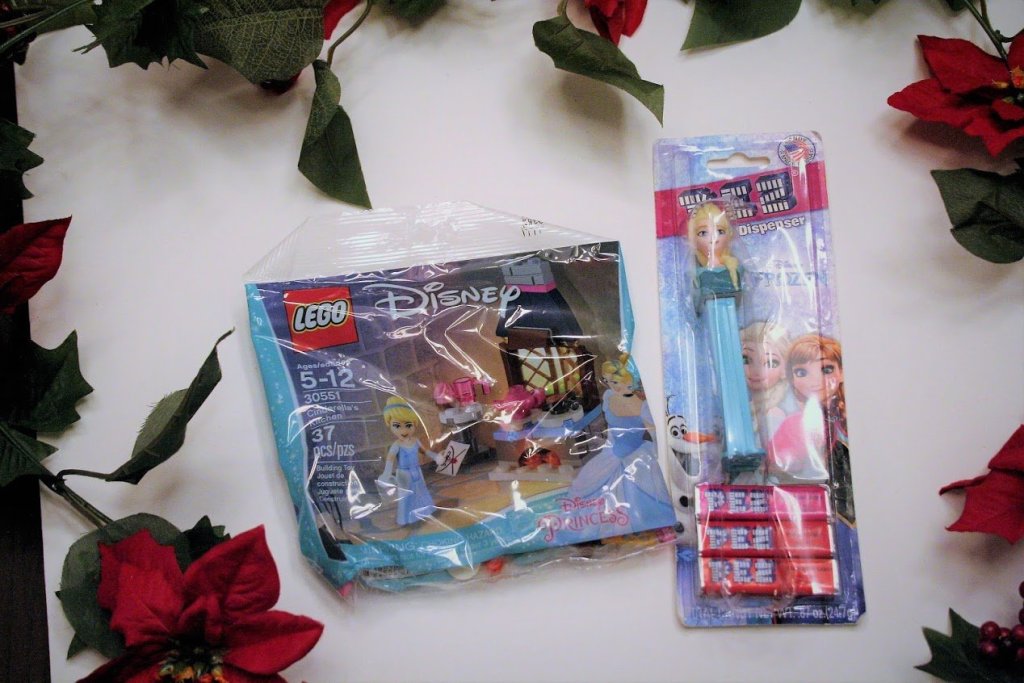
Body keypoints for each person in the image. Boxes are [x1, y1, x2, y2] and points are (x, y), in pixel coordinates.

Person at [561, 355, 675, 537]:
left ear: (629, 380)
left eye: (616, 381)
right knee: (589, 488)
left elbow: (656, 435)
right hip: (613, 453)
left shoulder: (641, 405)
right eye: (608, 381)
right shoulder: (609, 396)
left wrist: (661, 456)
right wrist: (607, 446)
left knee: (640, 497)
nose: (612, 385)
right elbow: (610, 428)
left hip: (636, 455)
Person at [767, 335, 846, 486]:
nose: (815, 381)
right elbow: (779, 466)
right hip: (809, 489)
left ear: (841, 372)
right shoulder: (793, 424)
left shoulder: (847, 418)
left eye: (827, 369)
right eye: (801, 373)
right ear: (792, 379)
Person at [380, 396, 440, 526]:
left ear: (414, 423)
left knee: (421, 491)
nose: (404, 430)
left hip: (417, 470)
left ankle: (424, 512)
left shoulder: (415, 441)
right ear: (390, 425)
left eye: (408, 425)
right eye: (397, 426)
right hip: (404, 474)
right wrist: (387, 473)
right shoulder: (397, 445)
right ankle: (405, 517)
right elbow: (390, 459)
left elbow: (424, 451)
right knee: (405, 495)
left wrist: (435, 457)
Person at [740, 322, 795, 443]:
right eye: (746, 359)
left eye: (770, 363)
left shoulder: (773, 414)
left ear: (785, 370)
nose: (756, 371)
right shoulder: (744, 407)